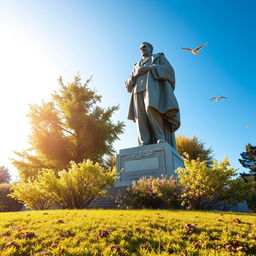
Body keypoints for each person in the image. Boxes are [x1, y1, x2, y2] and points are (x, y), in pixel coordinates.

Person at [125, 42, 180, 148]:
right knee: (140, 117)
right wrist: (135, 74)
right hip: (137, 92)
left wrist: (152, 68)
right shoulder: (136, 66)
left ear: (151, 49)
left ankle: (160, 138)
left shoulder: (159, 58)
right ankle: (144, 142)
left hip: (152, 90)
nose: (142, 49)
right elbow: (127, 85)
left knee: (152, 109)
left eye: (144, 46)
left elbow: (169, 71)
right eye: (140, 48)